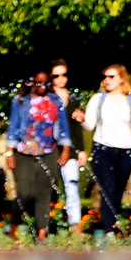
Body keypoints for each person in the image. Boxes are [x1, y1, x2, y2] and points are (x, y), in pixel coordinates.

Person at [82, 64, 131, 234]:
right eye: (104, 77)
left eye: (111, 77)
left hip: (125, 150)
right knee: (108, 187)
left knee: (118, 190)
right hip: (103, 149)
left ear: (122, 79)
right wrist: (81, 119)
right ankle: (108, 230)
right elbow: (89, 125)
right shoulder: (98, 99)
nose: (106, 80)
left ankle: (113, 224)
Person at [5, 71, 70, 240]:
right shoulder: (20, 101)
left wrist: (66, 149)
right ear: (31, 83)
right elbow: (13, 126)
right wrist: (9, 152)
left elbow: (63, 125)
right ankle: (14, 226)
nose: (42, 87)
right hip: (23, 153)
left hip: (49, 152)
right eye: (38, 83)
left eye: (46, 84)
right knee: (24, 192)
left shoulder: (55, 100)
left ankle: (42, 232)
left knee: (44, 193)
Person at [49, 59, 83, 231]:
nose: (61, 78)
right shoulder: (46, 97)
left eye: (64, 74)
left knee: (71, 185)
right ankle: (47, 224)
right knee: (48, 187)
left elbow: (76, 128)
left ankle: (74, 224)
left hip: (71, 150)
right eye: (56, 75)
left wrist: (82, 150)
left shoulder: (74, 98)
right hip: (50, 149)